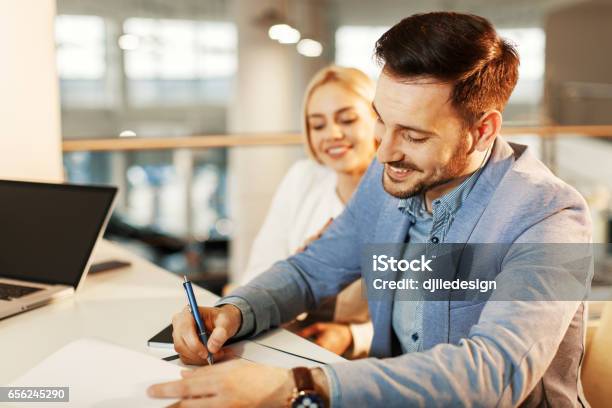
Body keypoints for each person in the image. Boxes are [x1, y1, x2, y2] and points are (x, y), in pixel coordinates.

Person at [149, 12, 592, 407]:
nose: (384, 152)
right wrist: (235, 311)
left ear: (482, 130)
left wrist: (298, 386)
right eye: (381, 119)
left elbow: (493, 375)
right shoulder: (391, 182)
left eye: (414, 136)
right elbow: (311, 270)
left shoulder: (550, 216)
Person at [234, 65, 377, 357]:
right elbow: (258, 273)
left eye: (347, 119)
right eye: (318, 125)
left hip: (368, 360)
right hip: (287, 340)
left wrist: (353, 336)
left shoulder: (406, 193)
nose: (333, 134)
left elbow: (422, 315)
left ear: (378, 120)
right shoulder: (303, 177)